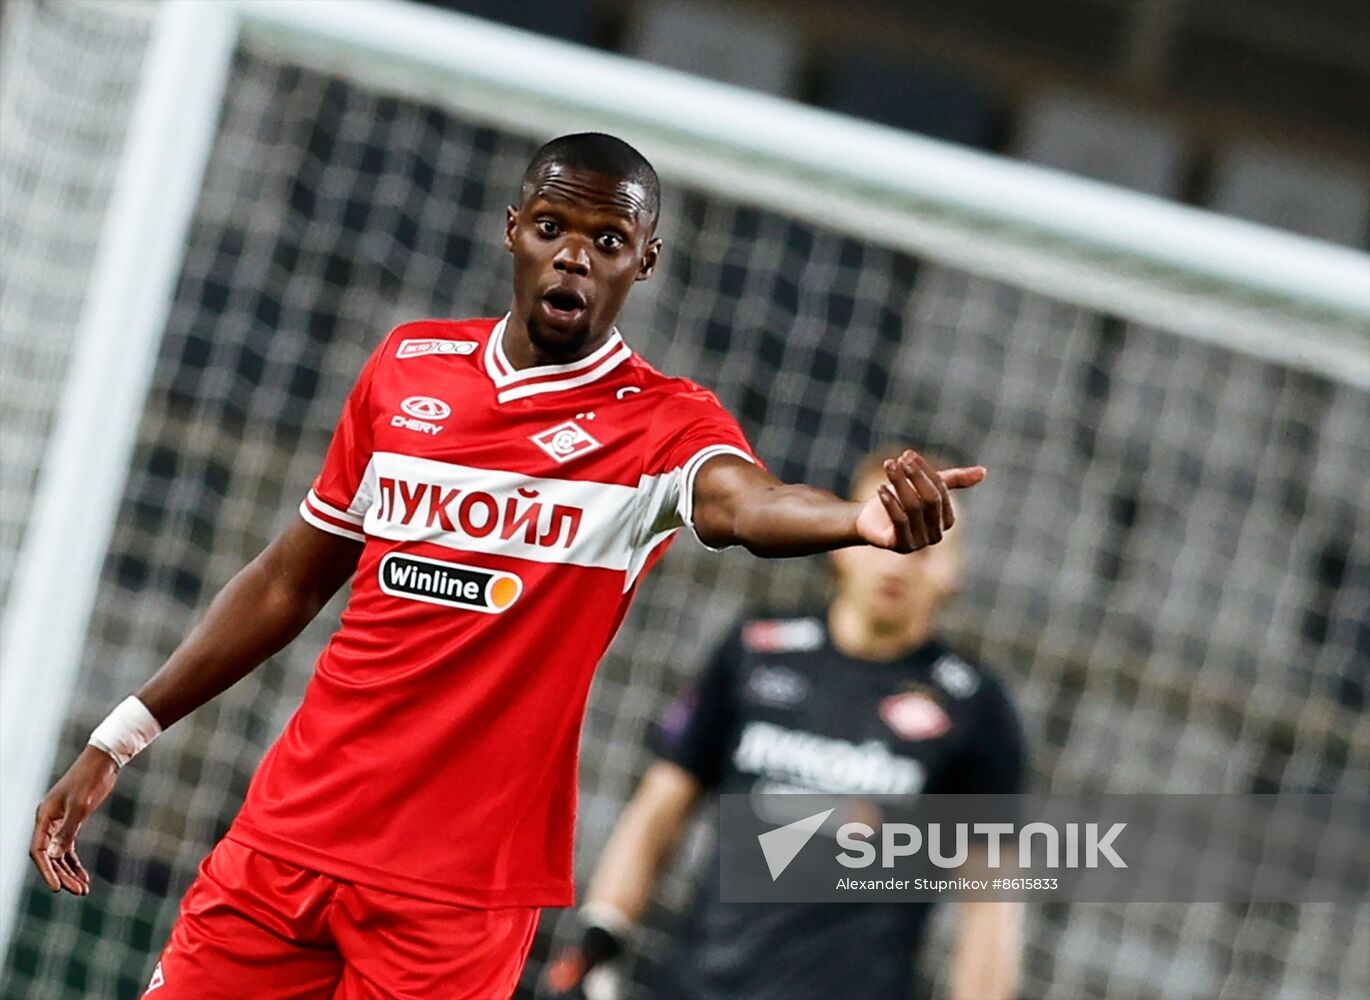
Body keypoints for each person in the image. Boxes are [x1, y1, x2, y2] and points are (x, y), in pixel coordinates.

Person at [29, 133, 984, 1000]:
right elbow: (289, 579)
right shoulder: (408, 369)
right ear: (513, 231)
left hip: (456, 900)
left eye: (609, 240)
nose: (575, 253)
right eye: (553, 225)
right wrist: (120, 737)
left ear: (644, 263)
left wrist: (855, 520)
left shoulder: (662, 425)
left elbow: (743, 504)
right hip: (286, 842)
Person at [542, 448, 1024, 1000]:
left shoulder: (977, 709)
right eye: (890, 526)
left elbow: (990, 902)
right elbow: (660, 808)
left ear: (954, 571)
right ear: (844, 540)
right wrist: (603, 931)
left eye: (928, 542)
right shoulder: (755, 649)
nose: (898, 559)